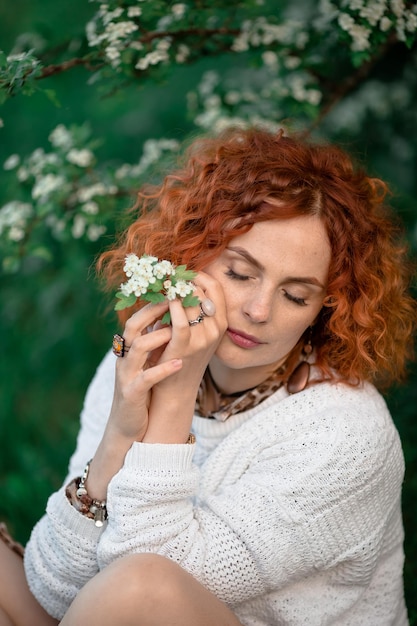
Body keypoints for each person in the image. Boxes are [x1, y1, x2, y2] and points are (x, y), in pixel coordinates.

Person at [0, 127, 415, 626]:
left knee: (140, 585)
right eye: (240, 273)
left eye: (295, 295)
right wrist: (119, 434)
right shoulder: (134, 363)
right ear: (193, 255)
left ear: (323, 310)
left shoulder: (345, 436)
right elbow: (56, 587)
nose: (259, 310)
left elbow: (142, 594)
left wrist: (174, 394)